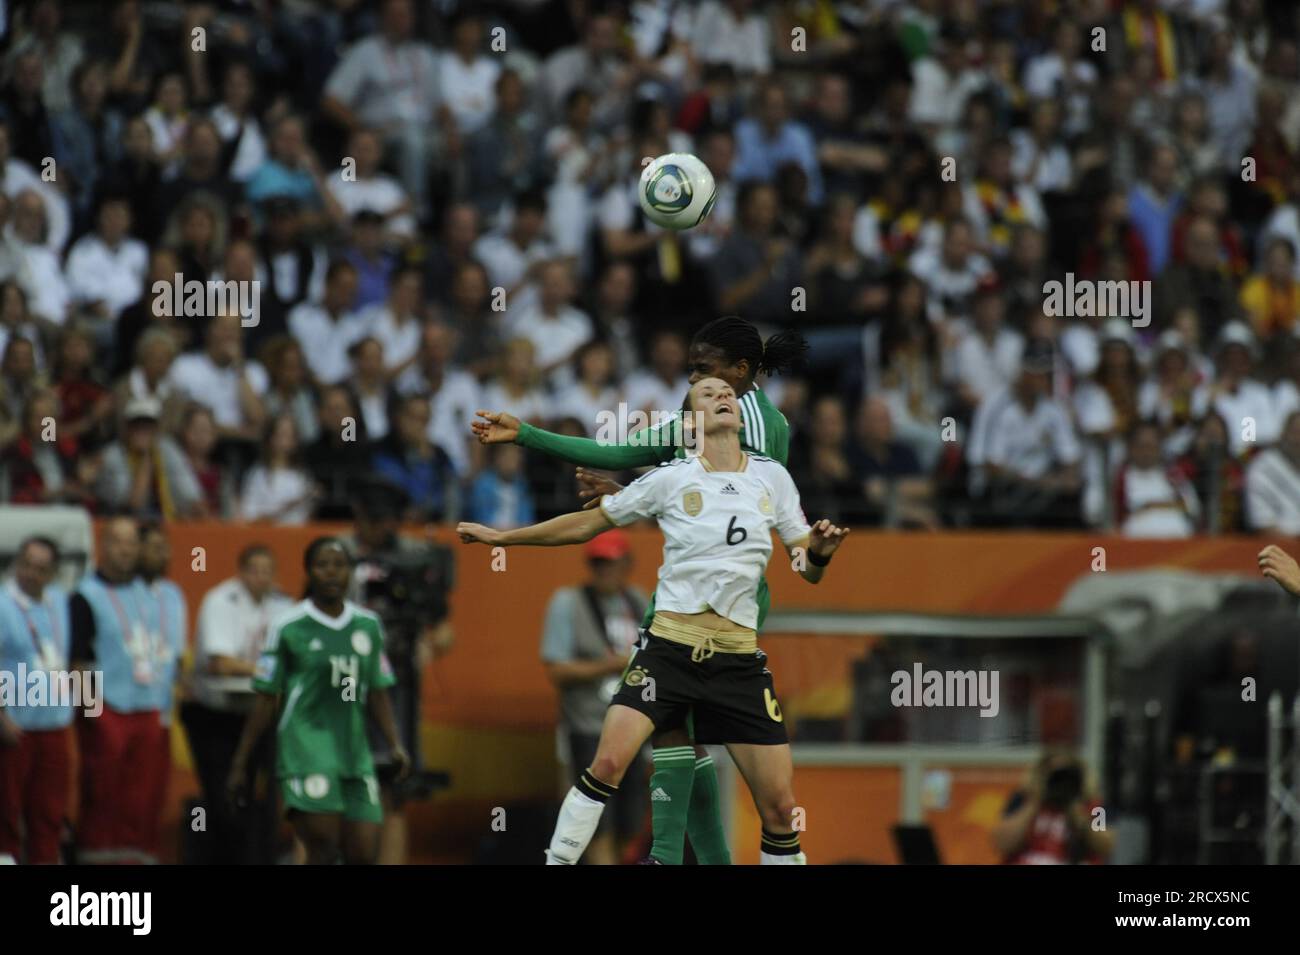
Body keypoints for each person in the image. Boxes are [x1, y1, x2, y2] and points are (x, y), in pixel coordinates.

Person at [460, 377, 849, 865]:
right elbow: (589, 521)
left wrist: (818, 554)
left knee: (781, 807)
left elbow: (804, 567)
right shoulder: (672, 477)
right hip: (668, 651)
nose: (722, 396)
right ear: (690, 422)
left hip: (738, 662)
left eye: (727, 392)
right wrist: (505, 538)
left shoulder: (772, 477)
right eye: (707, 394)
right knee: (607, 763)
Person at [227, 537, 409, 865]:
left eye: (339, 566)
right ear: (309, 572)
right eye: (322, 565)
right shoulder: (288, 626)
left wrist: (395, 743)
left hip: (355, 754)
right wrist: (242, 762)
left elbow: (377, 691)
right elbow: (267, 697)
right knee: (323, 847)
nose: (331, 573)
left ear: (350, 572)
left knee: (364, 853)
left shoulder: (368, 625)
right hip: (305, 750)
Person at [539, 530, 648, 865]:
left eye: (611, 563)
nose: (604, 571)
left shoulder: (640, 601)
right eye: (598, 564)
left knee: (632, 821)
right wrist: (610, 665)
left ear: (627, 564)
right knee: (596, 821)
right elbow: (556, 670)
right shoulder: (568, 603)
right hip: (588, 727)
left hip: (634, 729)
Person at [184, 543, 291, 864]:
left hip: (262, 714)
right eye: (255, 570)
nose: (261, 578)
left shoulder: (283, 605)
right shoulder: (220, 600)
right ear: (241, 571)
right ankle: (223, 857)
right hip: (216, 714)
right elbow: (220, 662)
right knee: (222, 797)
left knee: (267, 797)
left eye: (267, 571)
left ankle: (259, 856)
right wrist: (267, 671)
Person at [68, 515, 161, 863]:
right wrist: (93, 716)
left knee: (141, 794)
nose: (125, 550)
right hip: (107, 707)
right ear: (103, 546)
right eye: (117, 542)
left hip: (147, 704)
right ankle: (95, 856)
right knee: (102, 789)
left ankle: (133, 857)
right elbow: (77, 661)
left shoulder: (148, 594)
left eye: (131, 542)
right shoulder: (84, 596)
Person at [0, 536, 74, 864]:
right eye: (26, 565)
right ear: (17, 563)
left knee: (49, 813)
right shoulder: (2, 605)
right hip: (16, 728)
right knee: (7, 811)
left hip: (55, 726)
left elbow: (65, 657)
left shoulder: (60, 602)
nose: (31, 573)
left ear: (54, 574)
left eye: (41, 569)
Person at [136, 521, 187, 861]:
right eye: (155, 547)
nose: (163, 554)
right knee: (118, 795)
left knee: (153, 793)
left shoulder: (174, 594)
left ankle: (147, 854)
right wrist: (90, 710)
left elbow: (179, 655)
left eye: (165, 547)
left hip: (163, 710)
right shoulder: (120, 593)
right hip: (122, 709)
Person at [991, 749, 1113, 865]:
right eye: (1055, 776)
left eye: (1067, 777)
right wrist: (1035, 801)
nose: (1060, 782)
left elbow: (1106, 846)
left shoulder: (1096, 807)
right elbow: (1001, 844)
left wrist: (1076, 811)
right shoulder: (1023, 799)